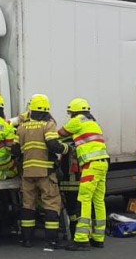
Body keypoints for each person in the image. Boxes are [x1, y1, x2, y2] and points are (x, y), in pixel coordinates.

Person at [59, 98, 109, 250]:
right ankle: (98, 238)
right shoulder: (94, 123)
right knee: (99, 201)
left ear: (74, 111)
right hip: (103, 163)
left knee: (84, 200)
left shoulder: (77, 121)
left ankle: (81, 239)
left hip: (91, 165)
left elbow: (59, 134)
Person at [15, 94, 63, 248]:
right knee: (51, 204)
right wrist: (67, 148)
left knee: (28, 205)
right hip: (45, 172)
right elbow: (53, 145)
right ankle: (51, 239)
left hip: (27, 173)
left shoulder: (22, 127)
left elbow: (15, 150)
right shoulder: (48, 125)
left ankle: (26, 239)